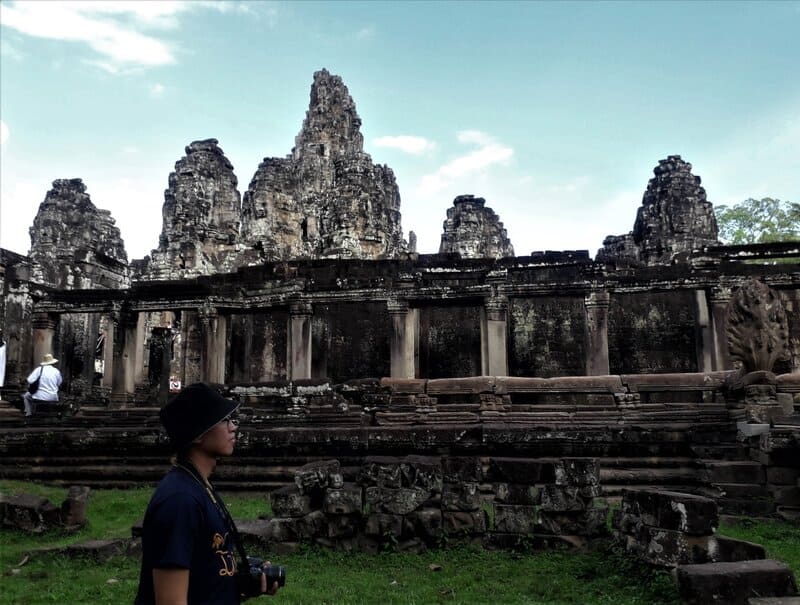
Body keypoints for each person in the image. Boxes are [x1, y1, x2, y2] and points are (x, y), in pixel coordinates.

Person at [135, 383, 280, 605]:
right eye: (225, 420)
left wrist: (242, 582)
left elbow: (205, 575)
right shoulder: (179, 501)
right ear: (198, 435)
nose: (234, 427)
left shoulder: (200, 486)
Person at [23, 353, 62, 418]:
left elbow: (30, 380)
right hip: (53, 397)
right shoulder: (56, 371)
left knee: (26, 396)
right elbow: (59, 383)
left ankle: (28, 413)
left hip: (40, 396)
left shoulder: (39, 369)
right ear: (52, 362)